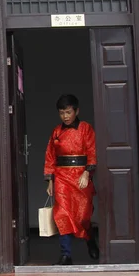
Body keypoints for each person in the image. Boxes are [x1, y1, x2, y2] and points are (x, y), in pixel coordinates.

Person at [44, 94, 99, 265]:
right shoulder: (56, 132)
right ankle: (65, 254)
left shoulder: (86, 129)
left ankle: (90, 239)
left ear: (76, 111)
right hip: (61, 176)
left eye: (68, 112)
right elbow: (50, 156)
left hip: (81, 175)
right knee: (62, 214)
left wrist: (87, 173)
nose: (65, 117)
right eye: (62, 113)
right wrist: (50, 180)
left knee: (83, 215)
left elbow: (92, 151)